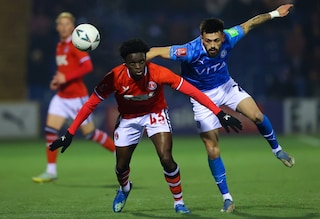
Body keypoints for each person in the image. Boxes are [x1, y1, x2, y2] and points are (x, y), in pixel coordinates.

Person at [48, 39, 242, 214]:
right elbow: (90, 103)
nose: (139, 66)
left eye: (142, 61)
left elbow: (192, 91)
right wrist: (70, 132)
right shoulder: (114, 77)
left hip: (155, 114)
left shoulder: (158, 72)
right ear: (126, 63)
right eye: (133, 63)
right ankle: (124, 189)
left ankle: (179, 203)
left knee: (166, 158)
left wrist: (219, 113)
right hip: (129, 119)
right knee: (121, 165)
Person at [146, 4, 295, 212]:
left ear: (222, 37)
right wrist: (133, 63)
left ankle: (277, 150)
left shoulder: (230, 36)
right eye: (208, 41)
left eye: (216, 40)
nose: (213, 45)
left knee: (257, 115)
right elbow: (155, 51)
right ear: (201, 37)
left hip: (226, 87)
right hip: (200, 98)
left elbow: (250, 24)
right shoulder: (189, 50)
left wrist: (275, 14)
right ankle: (227, 198)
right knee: (212, 149)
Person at [32, 12, 115, 183]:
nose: (63, 27)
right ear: (57, 27)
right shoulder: (59, 46)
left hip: (77, 98)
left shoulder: (76, 45)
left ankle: (118, 152)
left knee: (90, 134)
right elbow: (66, 70)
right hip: (61, 97)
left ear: (73, 27)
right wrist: (58, 80)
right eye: (60, 24)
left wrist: (66, 78)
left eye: (66, 24)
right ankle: (51, 171)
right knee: (50, 130)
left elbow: (87, 66)